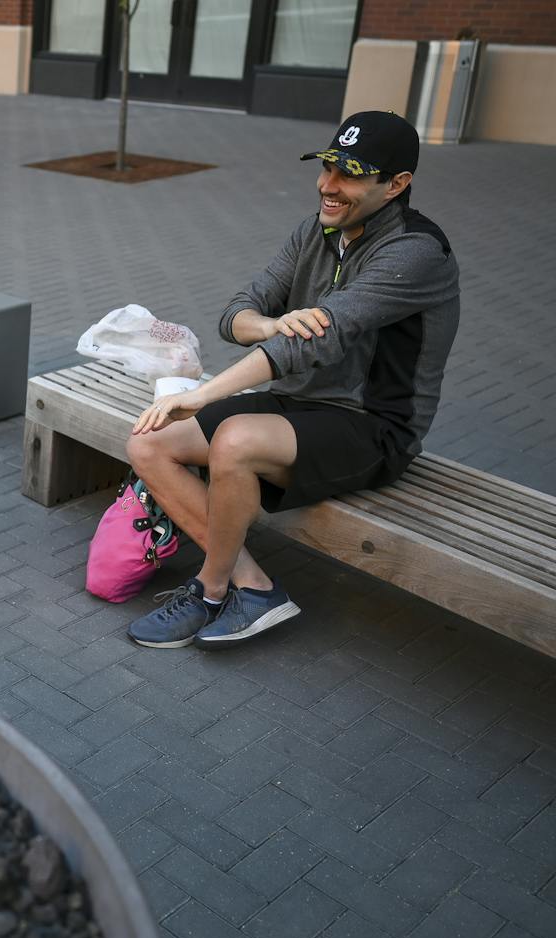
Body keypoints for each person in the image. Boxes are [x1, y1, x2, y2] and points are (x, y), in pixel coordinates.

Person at [124, 111, 459, 650]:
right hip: (296, 403)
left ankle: (210, 590)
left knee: (233, 441)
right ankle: (253, 587)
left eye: (350, 174)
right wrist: (272, 324)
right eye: (327, 167)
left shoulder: (417, 252)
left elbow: (318, 340)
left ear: (396, 185)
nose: (328, 186)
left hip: (373, 427)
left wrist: (205, 394)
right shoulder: (316, 230)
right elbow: (237, 312)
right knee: (150, 447)